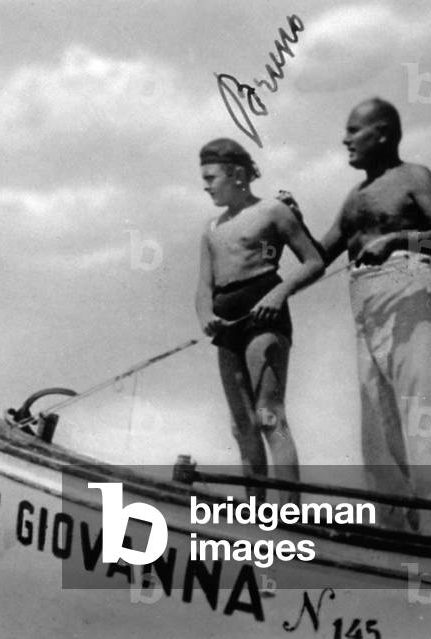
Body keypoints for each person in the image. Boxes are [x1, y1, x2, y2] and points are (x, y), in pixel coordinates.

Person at [315, 98, 431, 534]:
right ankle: (395, 527)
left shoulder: (414, 177)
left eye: (354, 130)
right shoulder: (354, 198)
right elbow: (319, 255)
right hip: (364, 301)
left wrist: (399, 239)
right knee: (377, 422)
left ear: (381, 133)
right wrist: (290, 226)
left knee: (421, 410)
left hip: (408, 289)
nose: (345, 140)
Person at [195, 138, 325, 503]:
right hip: (226, 324)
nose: (206, 186)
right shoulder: (211, 227)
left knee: (269, 416)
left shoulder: (272, 210)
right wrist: (206, 316)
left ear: (237, 175)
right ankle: (254, 509)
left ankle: (288, 511)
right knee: (242, 425)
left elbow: (314, 261)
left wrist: (279, 293)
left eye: (211, 177)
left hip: (264, 315)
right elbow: (203, 288)